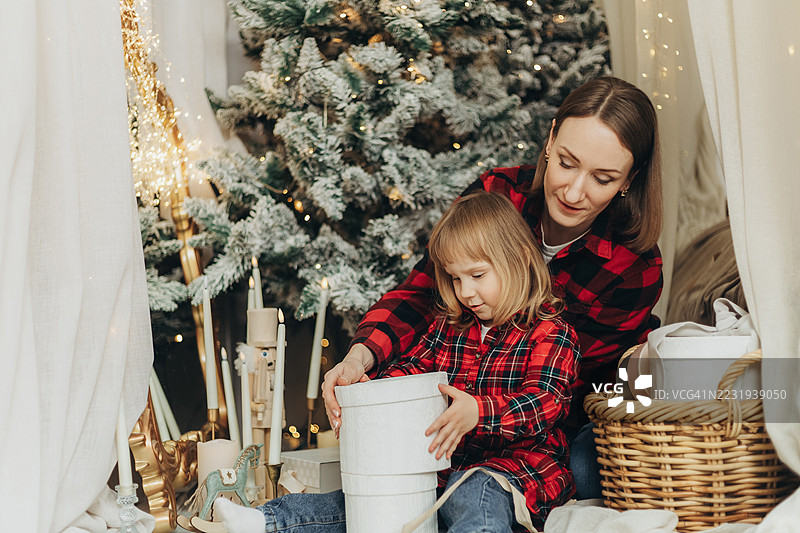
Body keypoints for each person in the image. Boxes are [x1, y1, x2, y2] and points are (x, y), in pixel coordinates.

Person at [323, 76, 664, 499]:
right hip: (472, 411)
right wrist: (363, 360)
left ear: (629, 179)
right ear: (551, 137)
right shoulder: (498, 195)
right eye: (567, 162)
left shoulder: (632, 265)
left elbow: (566, 391)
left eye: (603, 178)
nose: (574, 191)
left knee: (585, 467)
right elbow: (422, 293)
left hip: (557, 417)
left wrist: (479, 415)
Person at [214, 190, 580, 533]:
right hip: (443, 469)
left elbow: (545, 402)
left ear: (516, 260)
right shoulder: (450, 329)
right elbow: (410, 375)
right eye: (455, 279)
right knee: (369, 501)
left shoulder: (549, 332)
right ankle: (267, 522)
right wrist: (366, 389)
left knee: (474, 491)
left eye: (478, 275)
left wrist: (480, 412)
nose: (466, 291)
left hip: (519, 472)